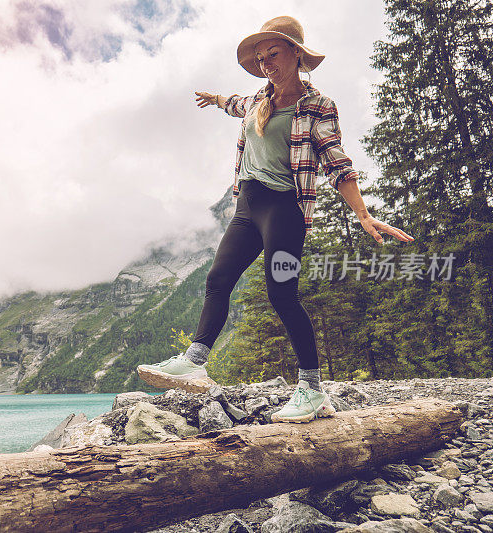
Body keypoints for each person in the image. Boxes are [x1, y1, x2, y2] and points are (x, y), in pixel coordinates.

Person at [136, 15, 414, 424]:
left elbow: (337, 163)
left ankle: (312, 389)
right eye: (261, 57)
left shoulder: (318, 106)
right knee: (217, 280)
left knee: (282, 295)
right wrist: (215, 99)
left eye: (274, 53)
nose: (266, 62)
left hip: (284, 211)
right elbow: (236, 106)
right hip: (247, 209)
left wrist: (363, 214)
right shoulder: (257, 101)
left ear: (296, 54)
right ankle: (196, 361)